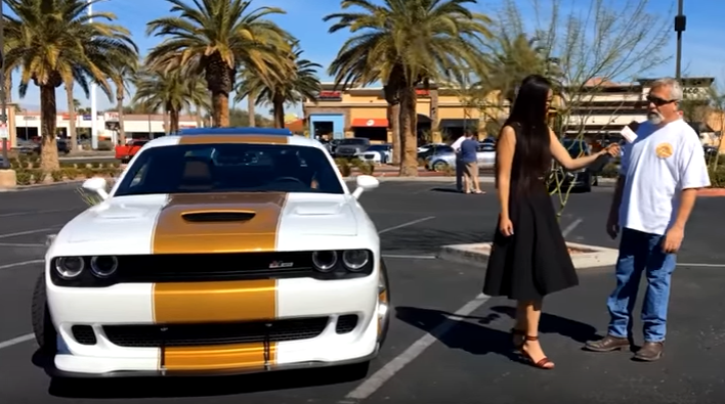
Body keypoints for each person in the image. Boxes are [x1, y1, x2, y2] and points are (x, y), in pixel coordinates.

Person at [482, 74, 620, 370]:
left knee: (535, 274)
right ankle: (531, 339)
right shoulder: (511, 132)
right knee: (531, 277)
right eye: (546, 100)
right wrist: (504, 213)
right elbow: (503, 177)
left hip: (540, 205)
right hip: (519, 207)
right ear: (533, 100)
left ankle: (521, 332)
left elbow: (569, 163)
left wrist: (600, 154)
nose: (550, 105)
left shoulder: (545, 131)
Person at [584, 78, 710, 361]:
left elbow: (692, 186)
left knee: (657, 280)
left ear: (674, 103)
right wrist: (614, 211)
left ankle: (653, 339)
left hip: (661, 226)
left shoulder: (684, 136)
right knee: (624, 278)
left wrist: (678, 227)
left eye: (658, 101)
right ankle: (618, 334)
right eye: (649, 99)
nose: (651, 105)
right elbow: (624, 176)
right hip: (632, 222)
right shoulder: (639, 132)